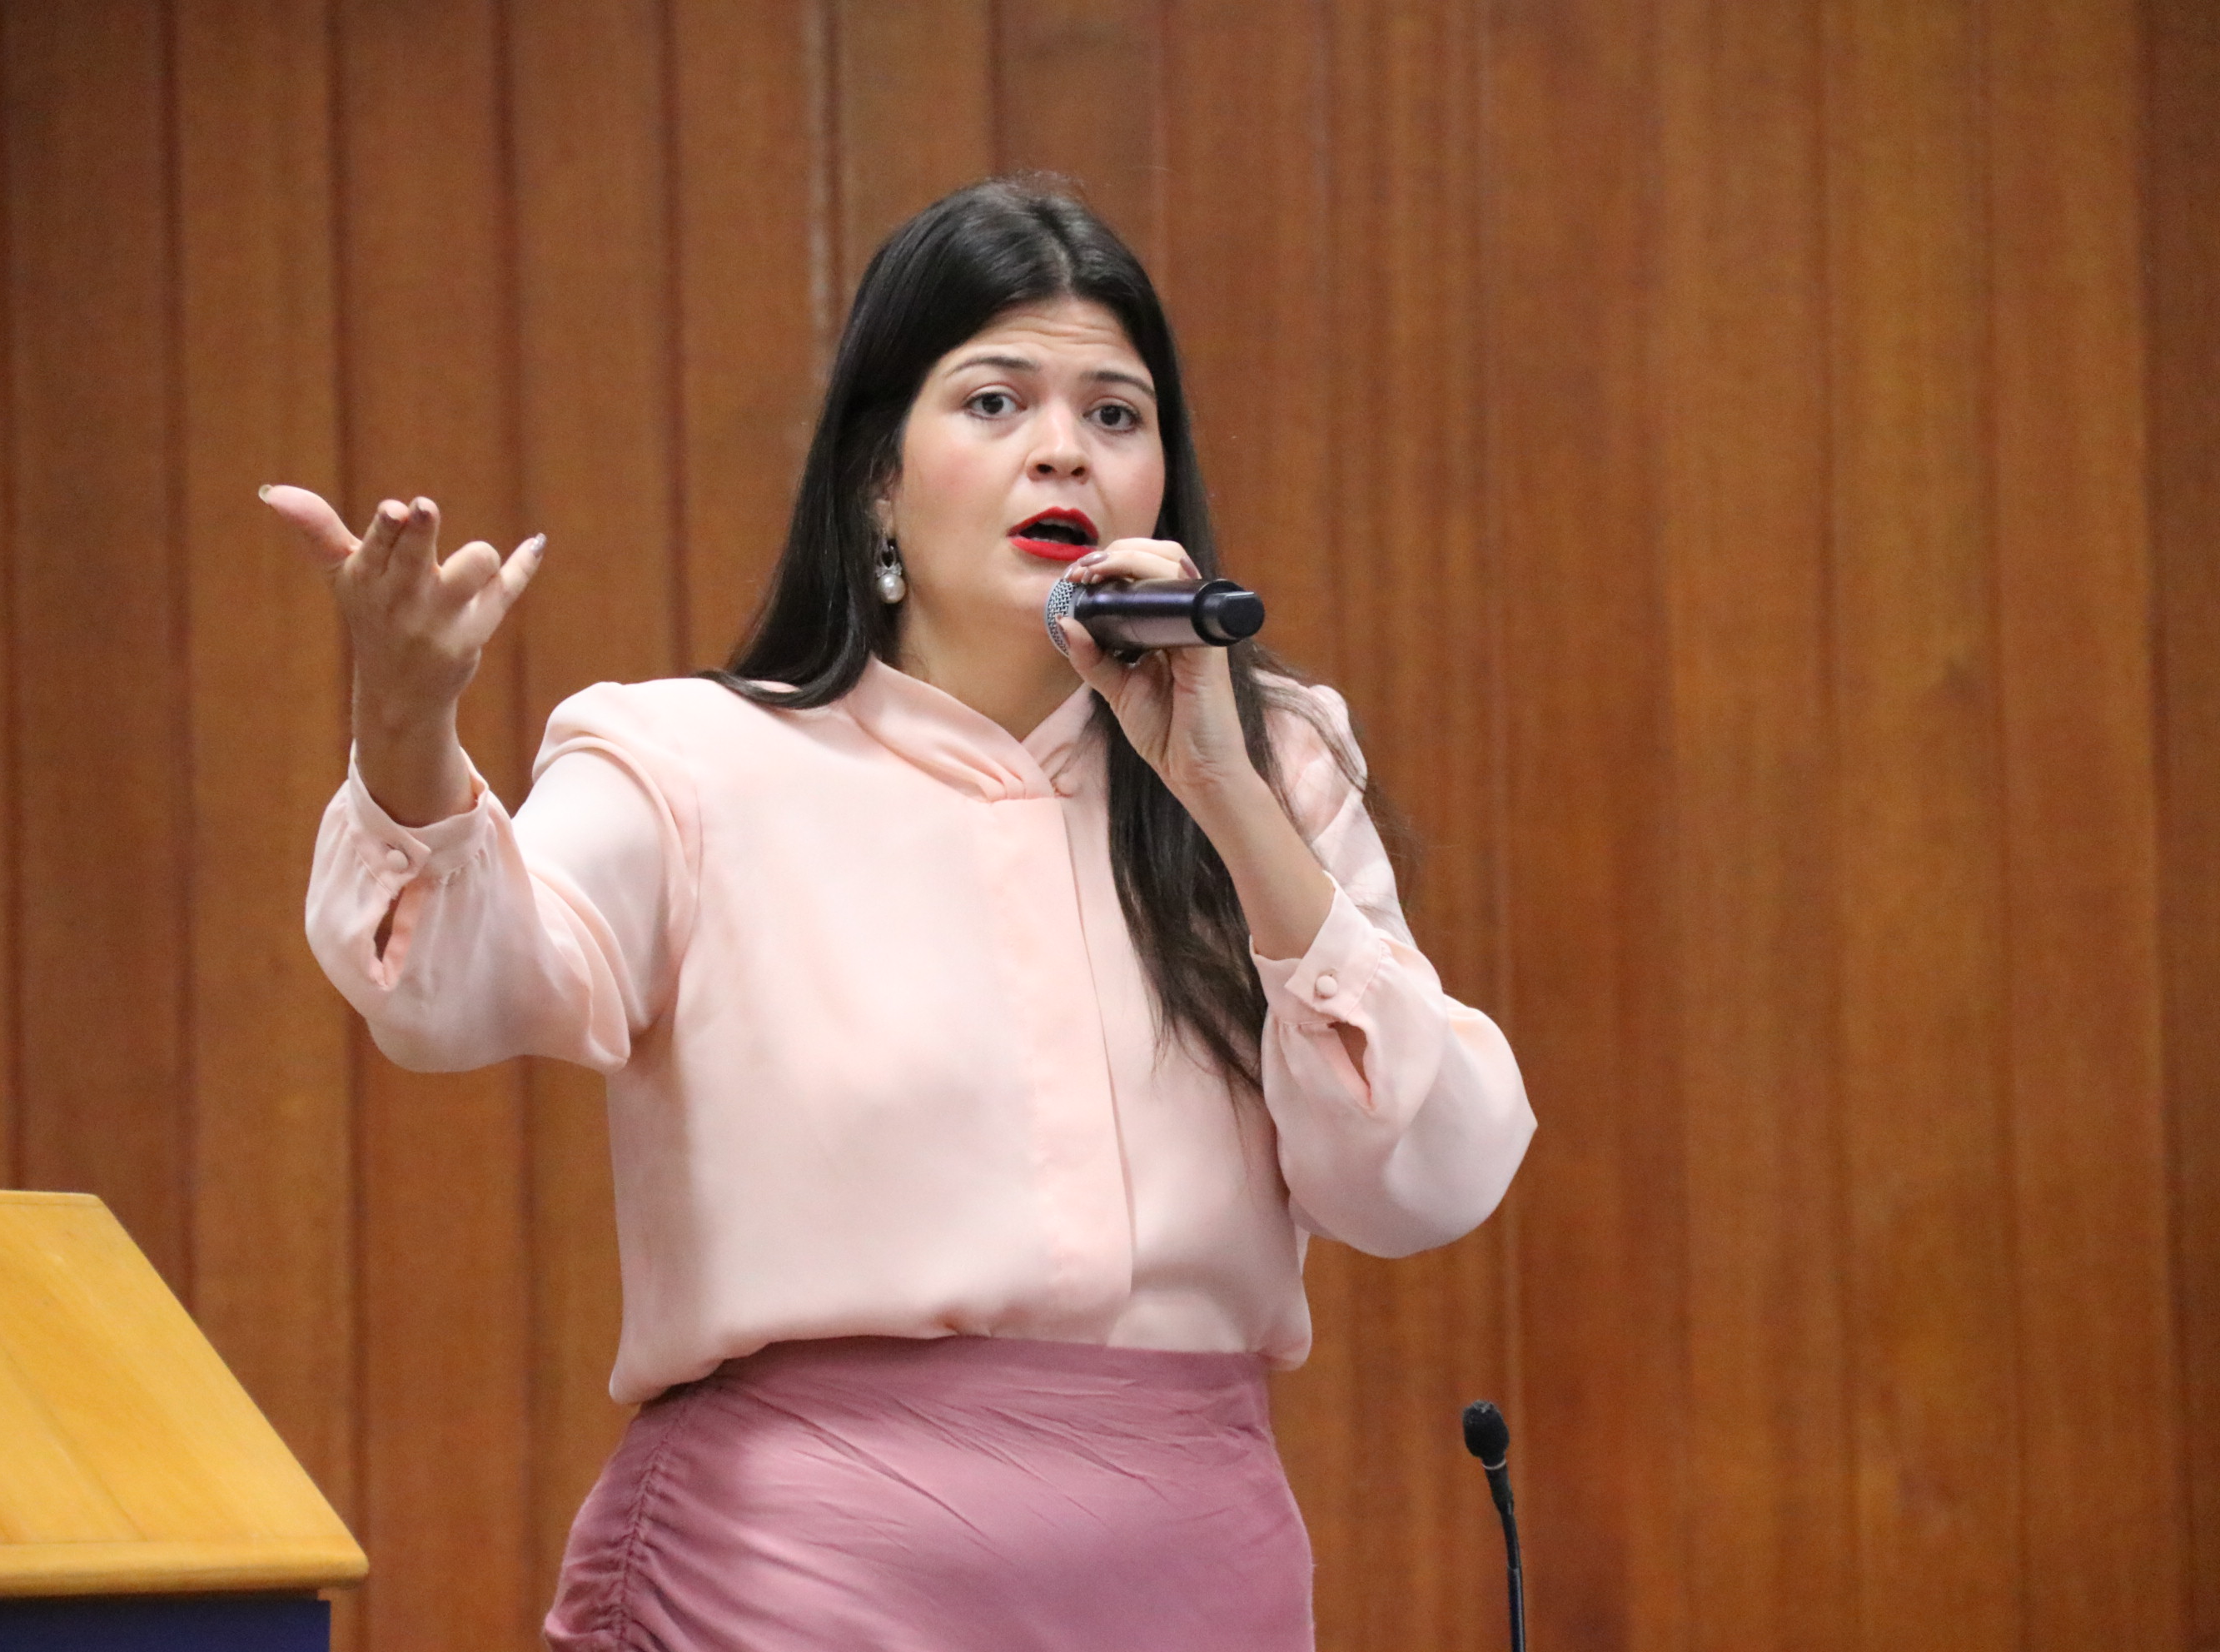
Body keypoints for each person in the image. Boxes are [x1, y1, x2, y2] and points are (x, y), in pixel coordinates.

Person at [266, 177, 1533, 1652]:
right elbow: (451, 993)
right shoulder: (690, 760)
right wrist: (407, 725)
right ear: (877, 479)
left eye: (1115, 415)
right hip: (795, 1582)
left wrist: (1226, 793)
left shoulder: (1273, 766)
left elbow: (1426, 1182)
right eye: (995, 401)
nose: (1064, 448)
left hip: (1200, 1577)